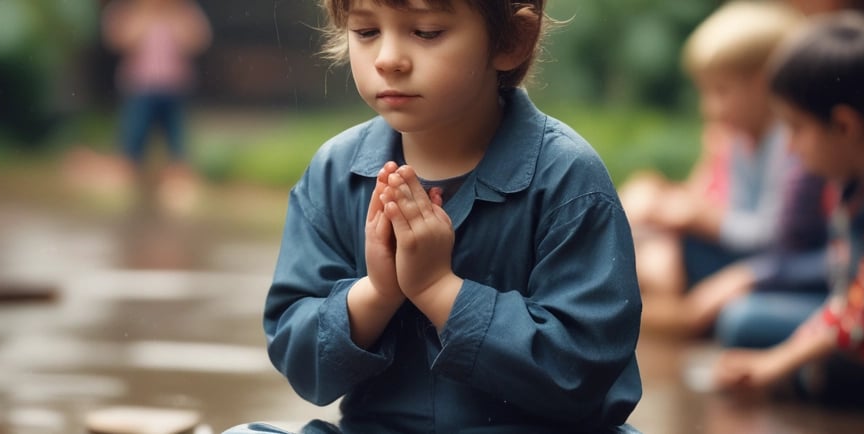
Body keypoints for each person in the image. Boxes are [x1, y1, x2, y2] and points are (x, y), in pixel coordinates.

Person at [226, 0, 642, 432]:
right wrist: (377, 293)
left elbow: (582, 372)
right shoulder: (334, 172)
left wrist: (438, 289)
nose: (388, 59)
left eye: (426, 32)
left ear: (512, 41)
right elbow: (301, 361)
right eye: (366, 32)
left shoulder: (567, 176)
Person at [712, 12, 864, 434]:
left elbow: (860, 322)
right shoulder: (845, 184)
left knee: (817, 365)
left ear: (844, 125)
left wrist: (776, 363)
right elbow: (847, 298)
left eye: (796, 128)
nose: (789, 148)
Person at [626, 1, 815, 335]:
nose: (709, 108)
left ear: (764, 86)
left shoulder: (788, 143)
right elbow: (735, 210)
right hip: (741, 253)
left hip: (772, 263)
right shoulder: (742, 140)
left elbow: (773, 234)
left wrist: (705, 219)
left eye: (721, 92)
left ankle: (665, 318)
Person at [101, 0, 211, 213]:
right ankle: (127, 177)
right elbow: (117, 38)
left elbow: (199, 40)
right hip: (140, 88)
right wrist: (143, 21)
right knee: (134, 136)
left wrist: (177, 22)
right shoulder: (132, 11)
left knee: (176, 140)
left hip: (174, 88)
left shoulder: (184, 13)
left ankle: (178, 182)